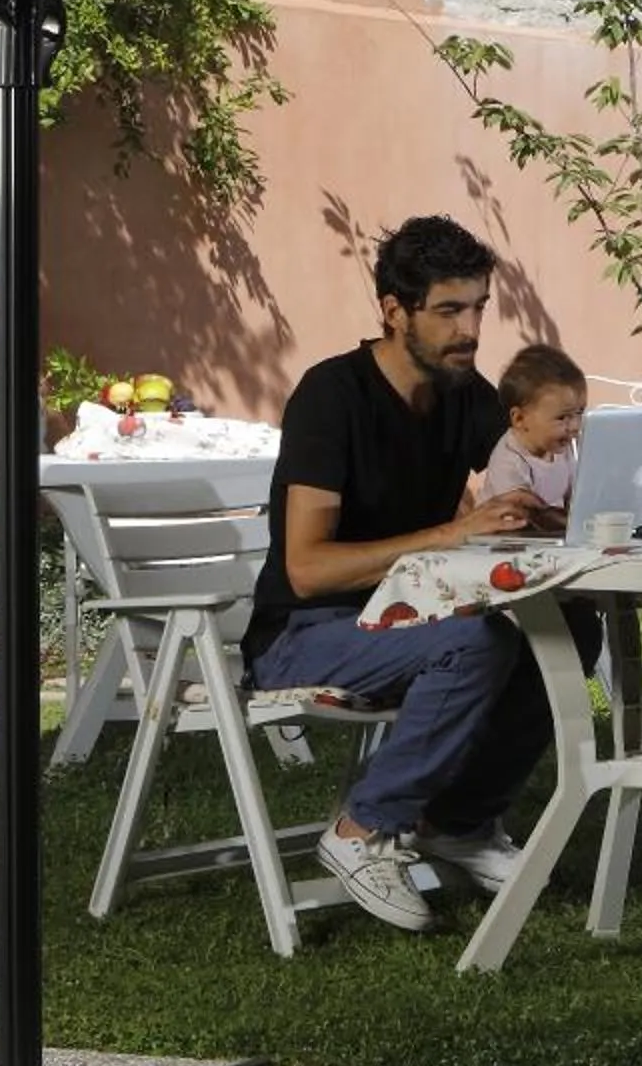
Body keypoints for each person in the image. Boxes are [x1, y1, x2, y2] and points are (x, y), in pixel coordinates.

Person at [243, 215, 586, 934]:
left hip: (411, 618)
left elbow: (516, 480)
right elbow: (306, 569)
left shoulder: (462, 395)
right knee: (477, 644)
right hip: (305, 632)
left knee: (568, 629)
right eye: (449, 311)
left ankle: (456, 823)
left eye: (479, 309)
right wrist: (452, 531)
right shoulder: (331, 399)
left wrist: (574, 510)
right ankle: (362, 830)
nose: (470, 330)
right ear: (394, 311)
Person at [483, 342, 586, 524]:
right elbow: (523, 512)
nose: (575, 426)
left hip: (539, 542)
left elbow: (576, 498)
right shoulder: (509, 459)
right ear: (520, 419)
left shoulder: (562, 447)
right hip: (500, 543)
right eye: (562, 418)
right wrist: (566, 522)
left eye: (579, 413)